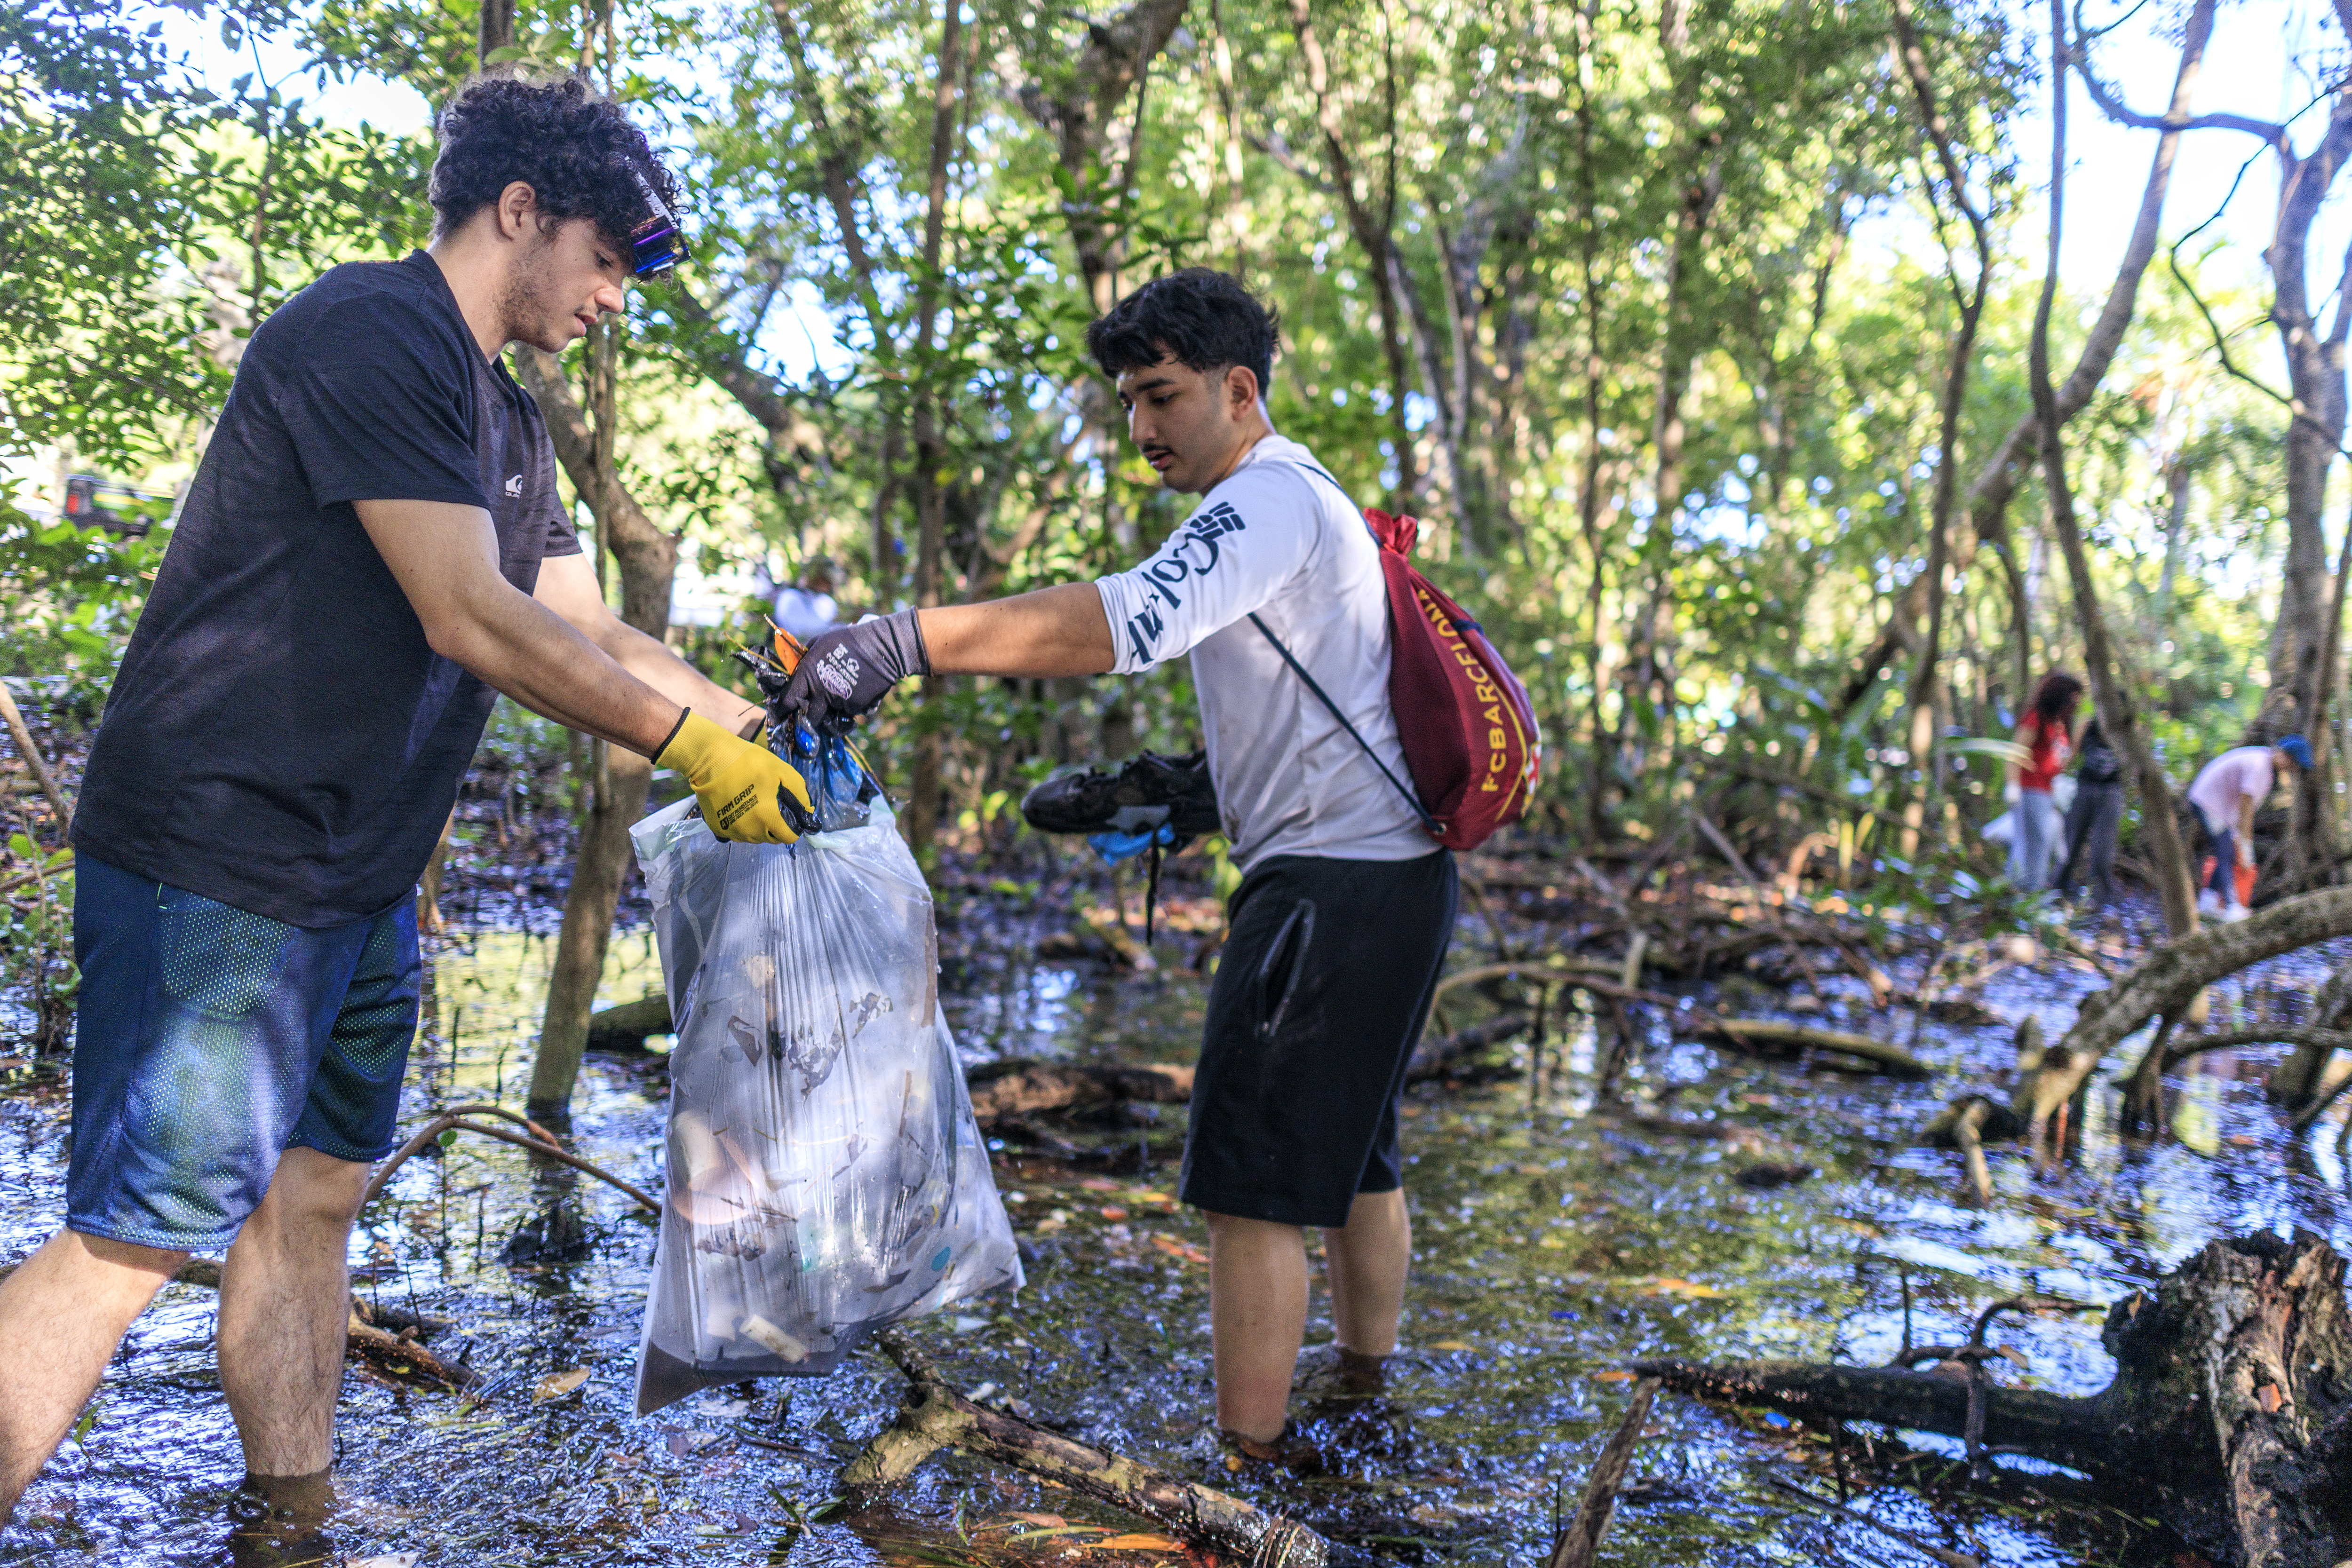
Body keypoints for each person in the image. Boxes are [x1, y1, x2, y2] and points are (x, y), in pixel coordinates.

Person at [0, 74, 808, 1522]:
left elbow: (593, 629)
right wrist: (695, 752)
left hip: (354, 882)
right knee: (134, 1240)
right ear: (520, 214)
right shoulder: (368, 329)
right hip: (223, 856)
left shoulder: (509, 425)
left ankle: (289, 1523)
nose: (615, 297)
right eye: (606, 260)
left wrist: (770, 725)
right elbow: (467, 614)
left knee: (314, 1203)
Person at [777, 269, 1456, 1457]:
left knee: (1251, 1181)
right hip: (1390, 875)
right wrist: (1194, 795)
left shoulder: (1264, 503)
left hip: (1330, 890)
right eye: (1130, 402)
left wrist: (900, 641)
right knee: (1356, 1149)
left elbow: (1120, 624)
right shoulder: (1310, 504)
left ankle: (1242, 1479)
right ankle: (1361, 1400)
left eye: (1162, 396)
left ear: (1239, 392)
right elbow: (1325, 697)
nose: (1142, 429)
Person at [2186, 734, 2312, 921]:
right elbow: (2246, 810)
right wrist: (2246, 847)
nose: (2292, 768)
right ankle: (2231, 906)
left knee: (2227, 851)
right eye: (2292, 762)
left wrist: (2239, 839)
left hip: (2216, 806)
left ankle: (2208, 902)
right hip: (2208, 801)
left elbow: (2242, 808)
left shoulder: (2264, 766)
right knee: (2226, 852)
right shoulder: (2260, 766)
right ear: (2283, 754)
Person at [2009, 673, 2082, 891]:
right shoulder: (2036, 718)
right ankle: (2025, 894)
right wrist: (2012, 786)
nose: (2077, 702)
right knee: (2031, 844)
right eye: (2074, 696)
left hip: (2047, 793)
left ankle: (2033, 892)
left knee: (2043, 844)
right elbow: (2015, 753)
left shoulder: (2059, 725)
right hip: (2029, 790)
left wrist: (2077, 739)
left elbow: (2061, 761)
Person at [2056, 714, 2124, 909]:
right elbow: (2070, 757)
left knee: (2103, 849)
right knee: (2070, 843)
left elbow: (2132, 762)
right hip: (2085, 787)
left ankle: (2101, 899)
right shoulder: (2088, 726)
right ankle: (2057, 889)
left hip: (2112, 791)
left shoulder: (2125, 730)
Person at [773, 555, 839, 643]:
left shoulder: (823, 601)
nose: (827, 586)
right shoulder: (790, 597)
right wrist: (835, 627)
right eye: (823, 580)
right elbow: (802, 632)